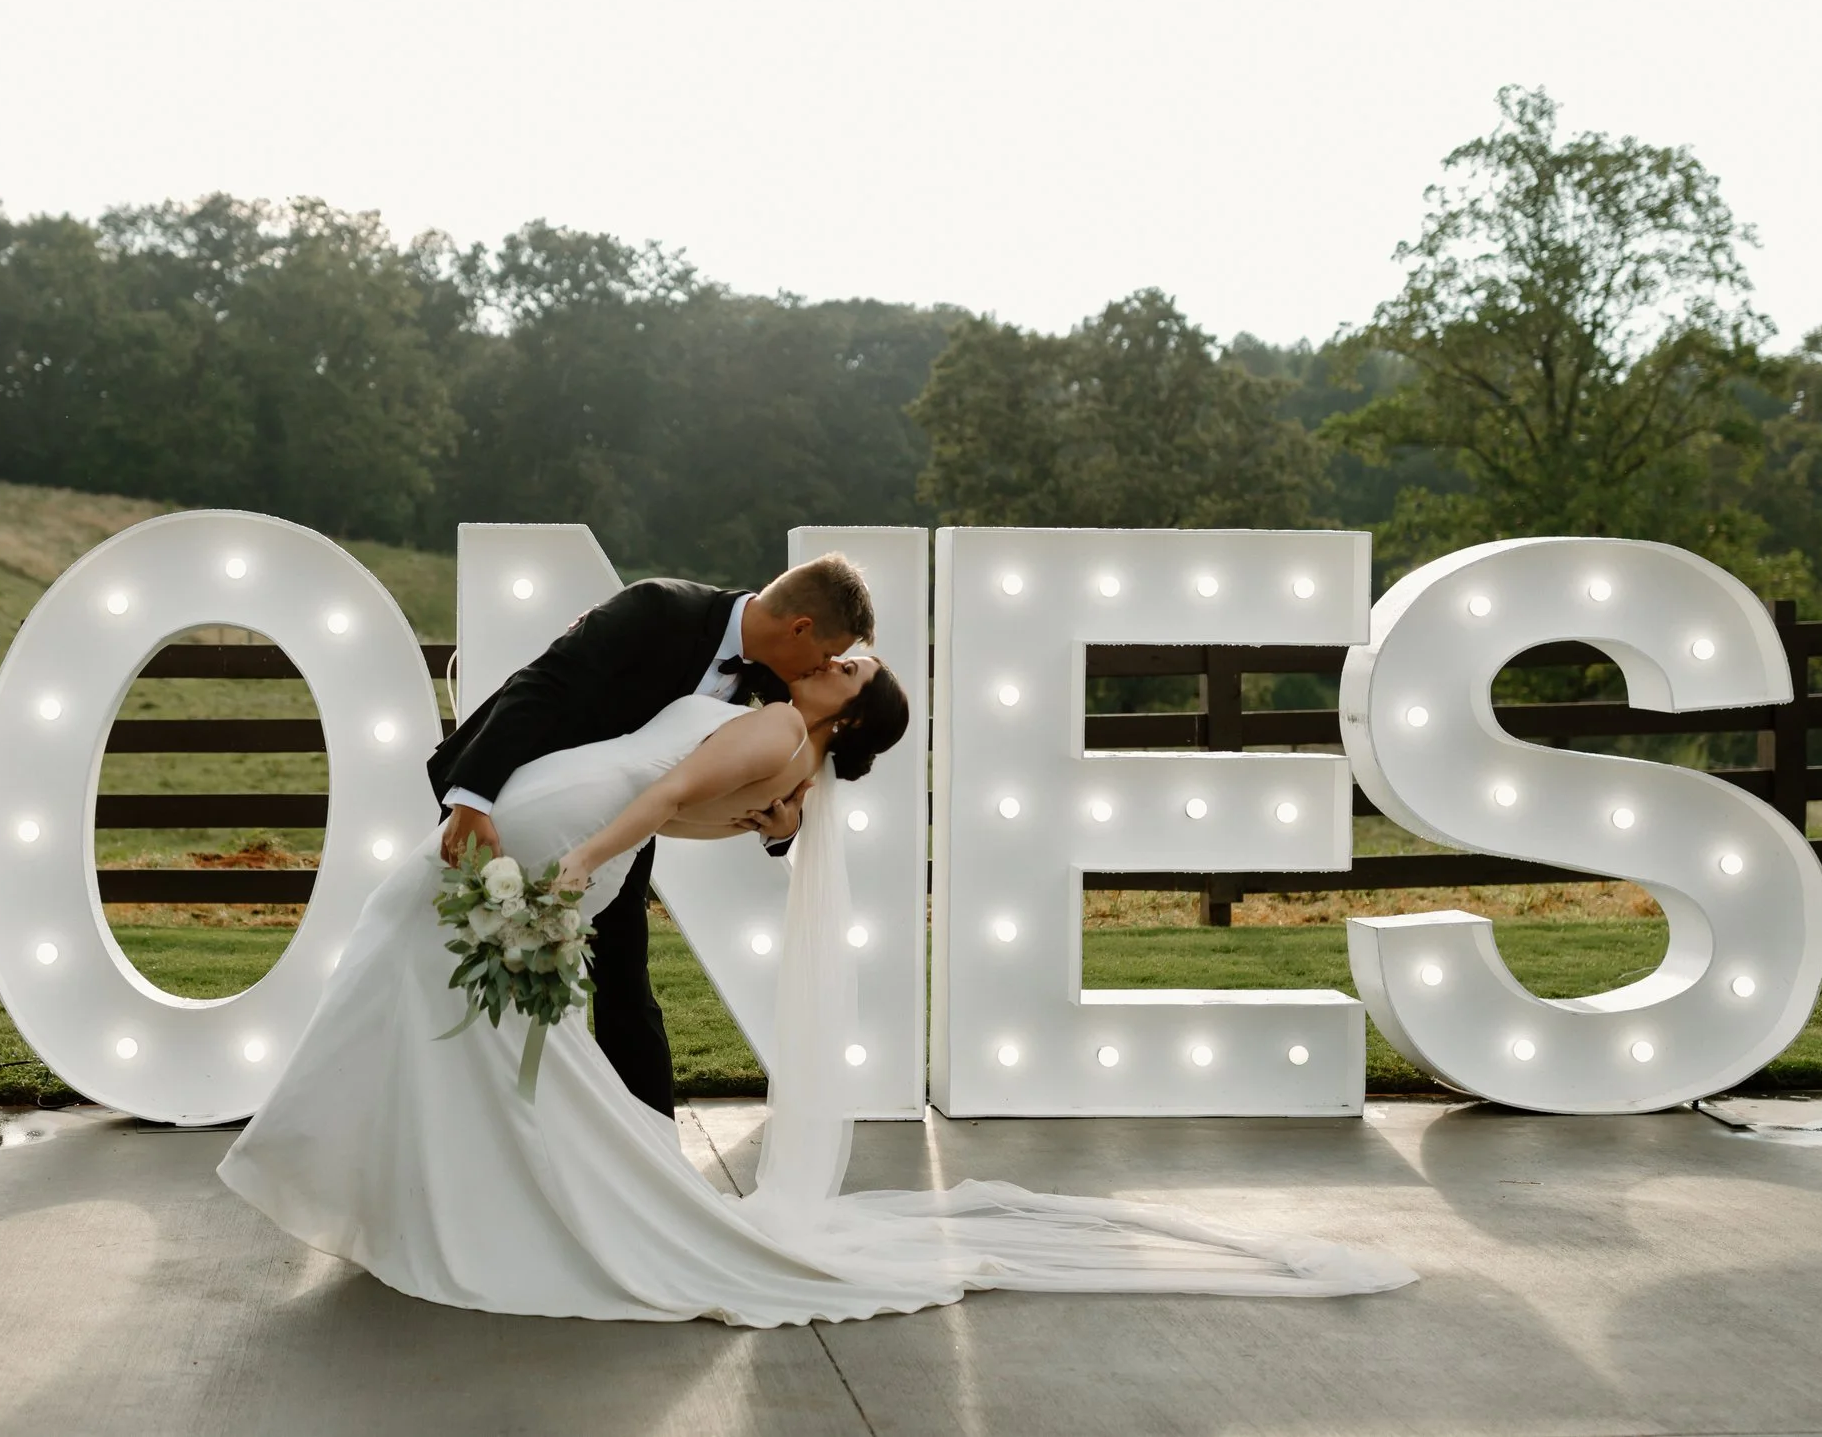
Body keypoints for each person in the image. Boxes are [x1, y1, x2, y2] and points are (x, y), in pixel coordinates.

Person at [216, 654, 1418, 1325]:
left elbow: (645, 806)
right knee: (457, 1039)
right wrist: (604, 861)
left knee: (432, 1018)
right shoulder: (782, 748)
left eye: (850, 667)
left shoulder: (773, 731)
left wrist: (572, 868)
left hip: (554, 867)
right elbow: (681, 820)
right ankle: (416, 1196)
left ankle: (376, 1186)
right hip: (547, 870)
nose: (832, 663)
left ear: (844, 709)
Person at [427, 555, 875, 1117]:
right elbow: (541, 687)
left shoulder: (774, 677)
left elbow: (792, 760)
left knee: (624, 986)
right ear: (801, 628)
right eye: (829, 655)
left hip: (615, 835)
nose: (825, 667)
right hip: (511, 801)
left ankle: (652, 1155)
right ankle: (458, 1121)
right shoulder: (657, 608)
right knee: (453, 966)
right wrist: (472, 799)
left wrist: (784, 826)